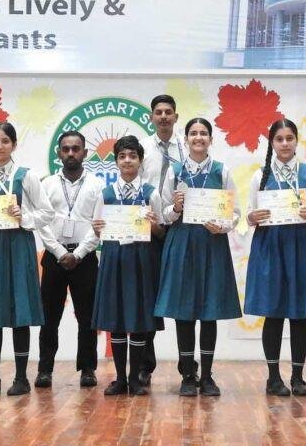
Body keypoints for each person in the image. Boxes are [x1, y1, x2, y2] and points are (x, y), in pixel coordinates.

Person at [0, 121, 54, 396]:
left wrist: (23, 216)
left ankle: (21, 378)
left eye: (5, 141)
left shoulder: (26, 176)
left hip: (17, 247)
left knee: (19, 312)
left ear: (14, 145)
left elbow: (47, 213)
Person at [155, 117, 242, 397]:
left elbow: (235, 212)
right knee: (184, 312)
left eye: (203, 133)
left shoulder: (221, 170)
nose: (198, 138)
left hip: (211, 244)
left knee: (209, 311)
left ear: (211, 139)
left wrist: (223, 226)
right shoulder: (175, 171)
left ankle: (207, 376)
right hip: (182, 242)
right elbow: (163, 213)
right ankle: (187, 376)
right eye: (193, 133)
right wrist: (175, 208)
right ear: (186, 139)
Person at [245, 119, 306, 397]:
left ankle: (298, 377)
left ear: (296, 141)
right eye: (279, 139)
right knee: (274, 312)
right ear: (272, 143)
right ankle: (273, 377)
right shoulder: (260, 175)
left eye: (289, 138)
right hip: (270, 245)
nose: (284, 143)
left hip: (302, 245)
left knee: (300, 313)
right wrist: (253, 216)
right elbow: (249, 214)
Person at [90, 135, 165, 396]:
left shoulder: (151, 193)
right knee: (117, 320)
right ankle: (120, 379)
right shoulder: (105, 194)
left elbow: (161, 232)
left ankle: (135, 379)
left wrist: (153, 224)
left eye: (132, 156)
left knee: (139, 320)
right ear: (116, 161)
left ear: (140, 160)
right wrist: (97, 228)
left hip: (142, 261)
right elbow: (99, 231)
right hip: (114, 259)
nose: (127, 160)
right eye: (122, 156)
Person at [35, 131, 103, 390]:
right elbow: (42, 223)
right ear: (59, 153)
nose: (71, 153)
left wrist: (79, 253)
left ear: (85, 152)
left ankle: (88, 369)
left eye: (76, 148)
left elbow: (99, 225)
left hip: (85, 258)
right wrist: (59, 252)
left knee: (87, 318)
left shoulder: (97, 185)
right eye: (66, 149)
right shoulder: (47, 184)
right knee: (49, 317)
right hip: (55, 257)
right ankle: (45, 369)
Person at [138, 94, 184, 385]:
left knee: (182, 298)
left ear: (176, 117)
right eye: (159, 112)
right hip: (149, 231)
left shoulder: (187, 148)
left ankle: (187, 366)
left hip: (180, 229)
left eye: (169, 112)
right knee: (148, 297)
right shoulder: (141, 148)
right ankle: (145, 365)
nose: (164, 116)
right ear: (151, 117)